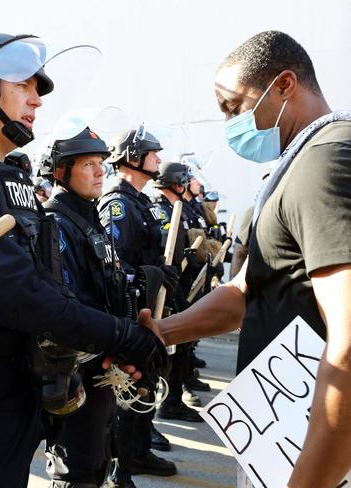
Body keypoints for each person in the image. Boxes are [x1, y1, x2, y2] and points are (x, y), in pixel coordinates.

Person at [0, 33, 166, 488]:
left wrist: (88, 349)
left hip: (23, 374)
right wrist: (119, 334)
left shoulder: (7, 174)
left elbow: (47, 280)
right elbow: (6, 289)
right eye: (24, 85)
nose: (37, 100)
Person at [141, 30, 351, 488]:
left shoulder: (325, 159)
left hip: (316, 451)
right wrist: (162, 332)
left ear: (284, 85)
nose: (232, 123)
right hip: (283, 441)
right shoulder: (296, 165)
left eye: (235, 107)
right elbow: (248, 291)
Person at [39, 127, 129, 487]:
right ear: (61, 172)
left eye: (100, 163)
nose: (99, 171)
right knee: (76, 467)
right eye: (88, 164)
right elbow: (65, 302)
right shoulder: (55, 222)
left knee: (99, 457)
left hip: (103, 360)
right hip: (75, 368)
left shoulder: (88, 217)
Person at [97, 128, 178, 486]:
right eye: (152, 153)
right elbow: (112, 264)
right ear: (133, 156)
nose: (159, 159)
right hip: (130, 312)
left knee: (148, 382)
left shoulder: (140, 201)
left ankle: (140, 451)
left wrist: (162, 273)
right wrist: (148, 276)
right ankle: (121, 469)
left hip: (148, 309)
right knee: (127, 395)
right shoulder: (117, 202)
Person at [150, 162, 206, 423]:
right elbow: (162, 253)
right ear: (177, 183)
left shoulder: (179, 210)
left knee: (182, 349)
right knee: (168, 353)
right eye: (188, 179)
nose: (192, 183)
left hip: (182, 288)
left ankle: (173, 400)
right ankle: (169, 402)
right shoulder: (162, 212)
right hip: (168, 292)